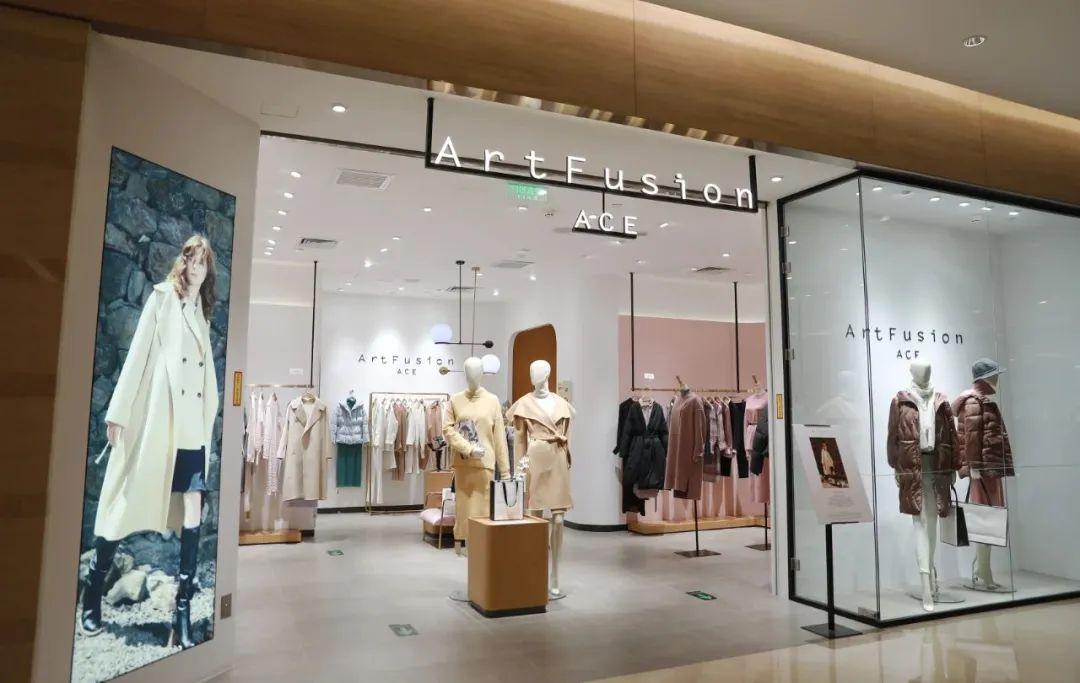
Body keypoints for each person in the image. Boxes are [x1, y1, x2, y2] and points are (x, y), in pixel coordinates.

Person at [82, 234, 219, 649]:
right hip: (160, 424)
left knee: (193, 509)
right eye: (192, 260)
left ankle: (182, 610)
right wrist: (119, 412)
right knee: (125, 501)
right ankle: (93, 589)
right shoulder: (161, 299)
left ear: (208, 270)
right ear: (183, 263)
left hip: (191, 431)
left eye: (203, 263)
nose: (196, 268)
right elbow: (138, 354)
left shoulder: (202, 313)